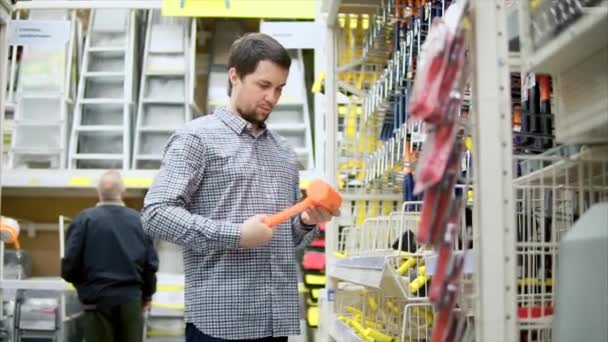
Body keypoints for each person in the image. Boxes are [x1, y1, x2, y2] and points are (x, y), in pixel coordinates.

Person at [141, 33, 339, 342]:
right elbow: (156, 214)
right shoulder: (196, 139)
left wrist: (305, 222)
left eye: (279, 88)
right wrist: (237, 235)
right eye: (263, 85)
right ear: (235, 76)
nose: (272, 98)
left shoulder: (284, 152)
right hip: (220, 325)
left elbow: (284, 239)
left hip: (276, 321)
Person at [61, 170, 159, 342]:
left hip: (96, 301)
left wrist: (84, 289)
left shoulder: (84, 220)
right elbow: (150, 265)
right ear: (123, 193)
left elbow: (69, 265)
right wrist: (147, 296)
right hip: (130, 300)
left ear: (98, 193)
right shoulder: (140, 221)